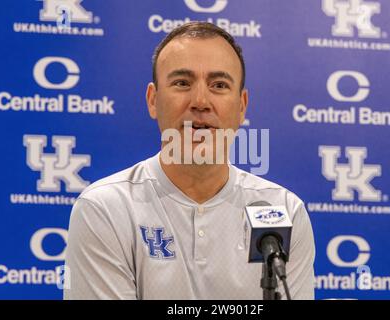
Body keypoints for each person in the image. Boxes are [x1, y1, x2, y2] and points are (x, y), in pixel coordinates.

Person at [63, 21, 315, 300]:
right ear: (153, 100)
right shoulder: (106, 208)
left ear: (242, 106)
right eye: (182, 83)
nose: (200, 101)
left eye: (219, 85)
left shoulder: (283, 211)